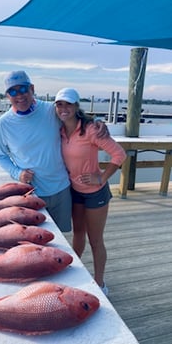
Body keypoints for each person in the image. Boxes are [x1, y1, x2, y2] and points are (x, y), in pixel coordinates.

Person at [0, 71, 108, 233]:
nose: (19, 95)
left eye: (23, 89)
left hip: (62, 189)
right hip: (31, 194)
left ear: (32, 88)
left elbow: (75, 115)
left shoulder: (50, 110)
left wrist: (97, 121)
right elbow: (0, 155)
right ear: (7, 96)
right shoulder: (3, 124)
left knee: (61, 238)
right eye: (13, 91)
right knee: (34, 239)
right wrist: (17, 173)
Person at [54, 87, 127, 295]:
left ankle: (100, 283)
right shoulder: (59, 130)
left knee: (95, 240)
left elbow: (119, 155)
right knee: (78, 235)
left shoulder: (92, 129)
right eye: (60, 104)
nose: (64, 108)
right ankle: (72, 273)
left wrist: (101, 177)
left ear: (77, 106)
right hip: (74, 191)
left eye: (68, 103)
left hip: (96, 193)